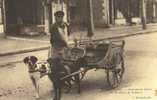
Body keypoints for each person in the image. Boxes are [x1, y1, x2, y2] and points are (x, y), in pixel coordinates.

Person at [48, 11, 69, 100]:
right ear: (55, 18)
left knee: (60, 67)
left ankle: (59, 86)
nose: (58, 18)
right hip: (56, 48)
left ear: (62, 17)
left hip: (63, 48)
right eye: (57, 17)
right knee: (53, 67)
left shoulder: (65, 25)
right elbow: (53, 39)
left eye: (60, 17)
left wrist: (65, 46)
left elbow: (67, 36)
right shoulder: (53, 26)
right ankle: (58, 85)